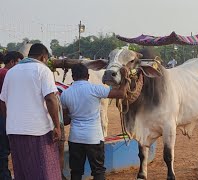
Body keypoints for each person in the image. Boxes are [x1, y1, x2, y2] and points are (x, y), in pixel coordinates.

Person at [0, 43, 62, 180]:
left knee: (22, 171)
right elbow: (51, 99)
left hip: (14, 131)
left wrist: (10, 120)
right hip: (38, 131)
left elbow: (2, 101)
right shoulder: (42, 70)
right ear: (43, 57)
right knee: (45, 171)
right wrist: (57, 126)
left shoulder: (11, 72)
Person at [61, 64, 129, 180]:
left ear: (73, 76)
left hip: (75, 138)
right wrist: (125, 77)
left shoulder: (65, 94)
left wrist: (76, 113)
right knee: (98, 171)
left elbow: (66, 120)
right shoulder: (95, 89)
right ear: (87, 76)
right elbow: (121, 94)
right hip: (94, 137)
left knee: (76, 171)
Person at [0, 51, 23, 180]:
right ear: (13, 62)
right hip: (3, 116)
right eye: (19, 62)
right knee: (4, 151)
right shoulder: (6, 74)